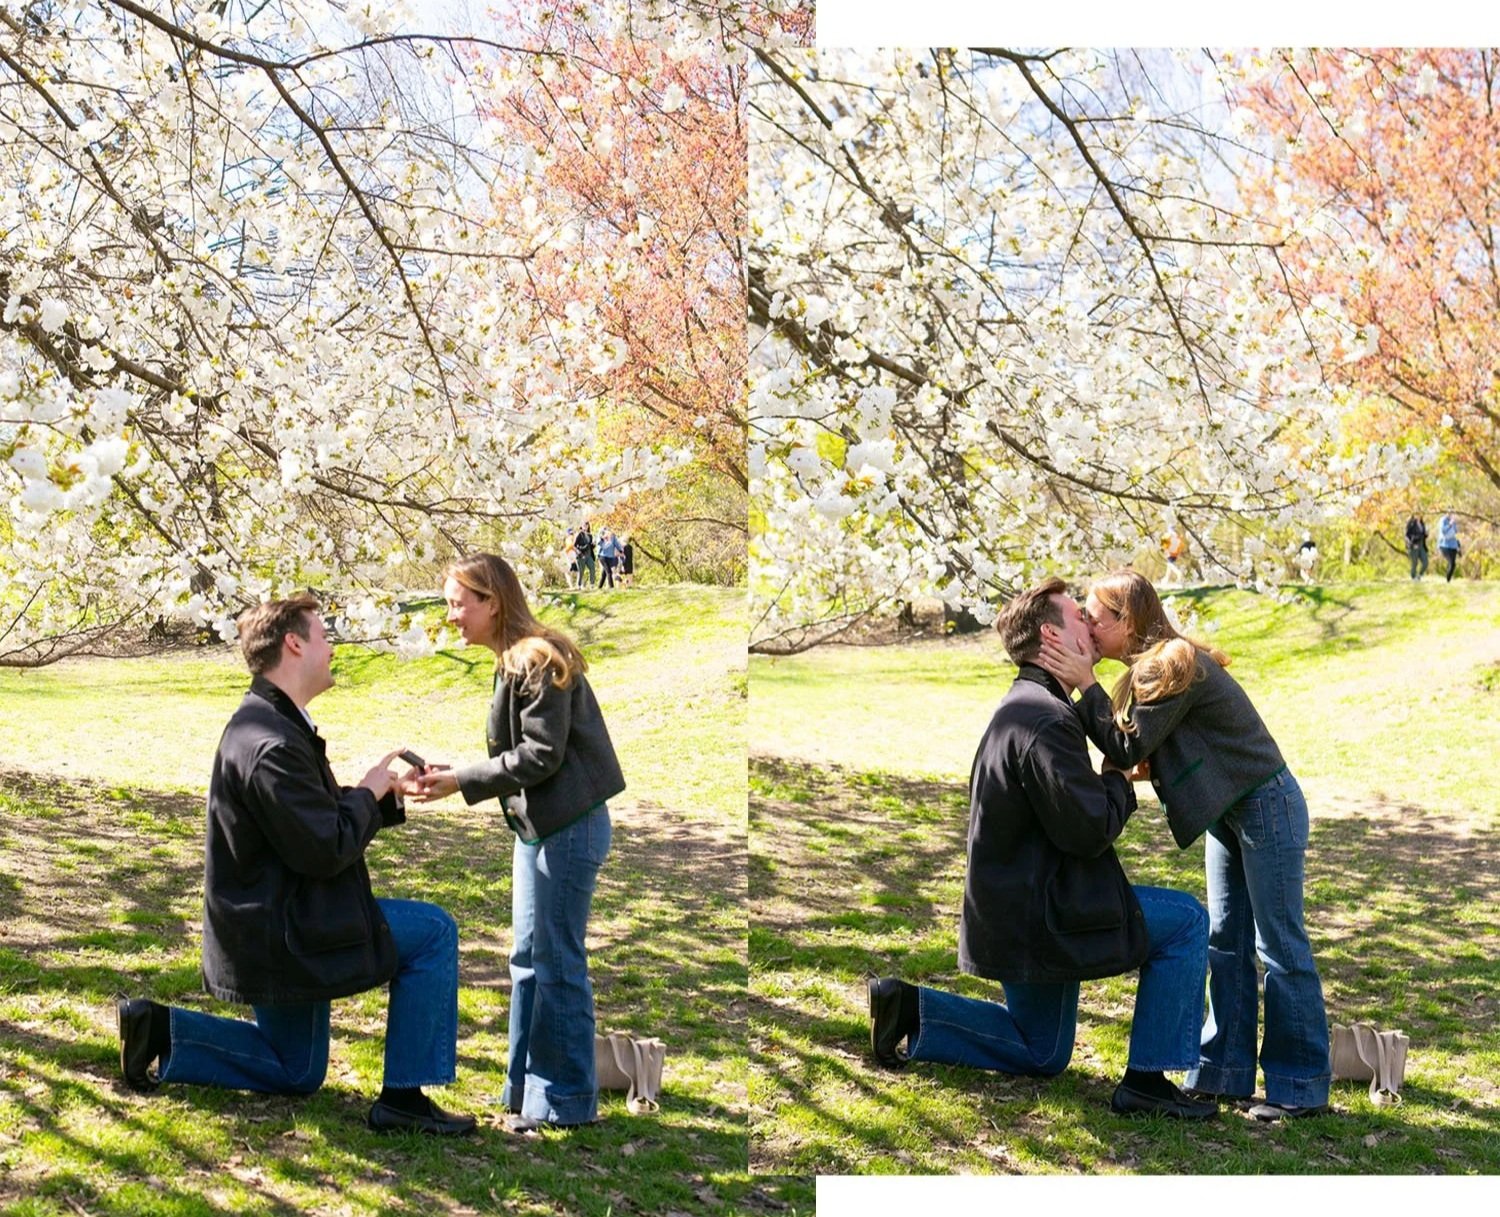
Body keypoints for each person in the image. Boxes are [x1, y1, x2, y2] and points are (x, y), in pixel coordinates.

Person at [116, 597, 474, 1135]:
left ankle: (160, 1030)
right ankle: (404, 1098)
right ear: (294, 643)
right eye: (324, 636)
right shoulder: (271, 741)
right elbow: (324, 848)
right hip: (284, 931)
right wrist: (367, 792)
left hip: (273, 921)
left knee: (296, 1069)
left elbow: (307, 820)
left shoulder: (272, 722)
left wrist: (383, 793)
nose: (332, 649)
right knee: (432, 933)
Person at [868, 577, 1214, 1119]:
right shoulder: (1046, 720)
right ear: (1052, 637)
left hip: (1011, 909)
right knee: (1187, 921)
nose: (1091, 629)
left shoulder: (1025, 706)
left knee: (1043, 1050)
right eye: (1079, 617)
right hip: (1041, 915)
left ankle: (908, 1007)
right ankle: (1148, 1081)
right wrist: (1117, 777)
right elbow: (1091, 830)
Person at [1037, 569, 1330, 1121]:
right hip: (1232, 809)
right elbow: (1146, 745)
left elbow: (1126, 745)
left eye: (1095, 619)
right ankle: (1222, 1073)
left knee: (1280, 945)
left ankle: (1299, 1086)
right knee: (1226, 941)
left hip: (1264, 803)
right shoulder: (1149, 668)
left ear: (1127, 621)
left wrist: (1085, 683)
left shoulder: (1171, 661)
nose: (1089, 629)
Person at [416, 554, 625, 1131]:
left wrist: (462, 779)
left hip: (570, 830)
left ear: (492, 602)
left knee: (557, 963)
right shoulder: (514, 659)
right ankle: (525, 1094)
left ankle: (565, 1101)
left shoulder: (537, 659)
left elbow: (541, 756)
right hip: (541, 831)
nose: (451, 615)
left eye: (458, 603)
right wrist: (456, 773)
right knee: (528, 962)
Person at [1438, 512, 1461, 582]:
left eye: (1452, 513)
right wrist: (1450, 524)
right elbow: (1443, 531)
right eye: (1450, 512)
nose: (1451, 514)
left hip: (1453, 545)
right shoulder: (1443, 520)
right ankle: (1447, 580)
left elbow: (1456, 532)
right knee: (1451, 562)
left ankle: (1448, 579)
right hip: (1445, 545)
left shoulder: (1453, 521)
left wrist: (1458, 546)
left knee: (1453, 564)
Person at [1405, 514, 1429, 580]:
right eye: (1417, 514)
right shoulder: (1411, 523)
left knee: (1425, 562)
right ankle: (1413, 577)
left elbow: (1423, 535)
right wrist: (1412, 544)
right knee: (1414, 563)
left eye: (1420, 514)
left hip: (1422, 546)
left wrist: (1426, 534)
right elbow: (1407, 536)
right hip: (1414, 546)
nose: (1419, 515)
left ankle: (1419, 575)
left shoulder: (1422, 523)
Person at [573, 523, 596, 589]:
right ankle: (579, 585)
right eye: (584, 526)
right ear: (582, 526)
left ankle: (592, 584)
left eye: (587, 525)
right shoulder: (580, 534)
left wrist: (593, 545)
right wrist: (579, 552)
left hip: (589, 555)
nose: (586, 527)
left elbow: (590, 547)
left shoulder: (590, 535)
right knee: (581, 571)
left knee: (592, 568)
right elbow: (574, 546)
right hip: (581, 555)